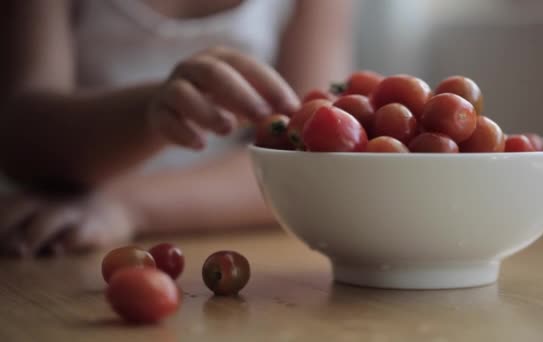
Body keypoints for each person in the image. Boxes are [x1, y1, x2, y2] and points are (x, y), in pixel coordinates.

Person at [0, 0, 354, 257]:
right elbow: (18, 134)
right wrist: (148, 114)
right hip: (44, 241)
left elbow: (311, 167)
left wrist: (126, 205)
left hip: (195, 236)